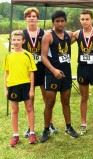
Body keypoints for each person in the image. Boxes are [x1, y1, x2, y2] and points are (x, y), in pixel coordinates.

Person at [40, 10, 79, 143]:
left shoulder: (68, 35)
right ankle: (46, 129)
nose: (60, 23)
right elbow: (43, 57)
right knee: (49, 103)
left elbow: (79, 35)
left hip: (66, 73)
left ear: (65, 22)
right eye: (57, 21)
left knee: (66, 101)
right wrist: (53, 70)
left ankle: (68, 127)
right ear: (53, 22)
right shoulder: (48, 36)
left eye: (62, 21)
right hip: (52, 74)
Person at [22, 7, 58, 138]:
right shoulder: (22, 34)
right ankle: (30, 127)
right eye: (29, 16)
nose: (32, 18)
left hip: (43, 70)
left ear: (38, 18)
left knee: (47, 99)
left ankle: (50, 124)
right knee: (29, 100)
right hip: (28, 72)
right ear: (25, 18)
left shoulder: (44, 33)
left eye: (34, 16)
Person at [4, 30, 37, 147]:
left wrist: (32, 89)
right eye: (14, 40)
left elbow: (32, 73)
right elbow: (6, 73)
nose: (16, 42)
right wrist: (6, 88)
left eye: (18, 40)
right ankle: (15, 135)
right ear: (11, 41)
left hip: (25, 85)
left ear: (23, 41)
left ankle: (32, 133)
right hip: (13, 86)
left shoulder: (28, 55)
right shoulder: (8, 56)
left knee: (29, 108)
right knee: (14, 110)